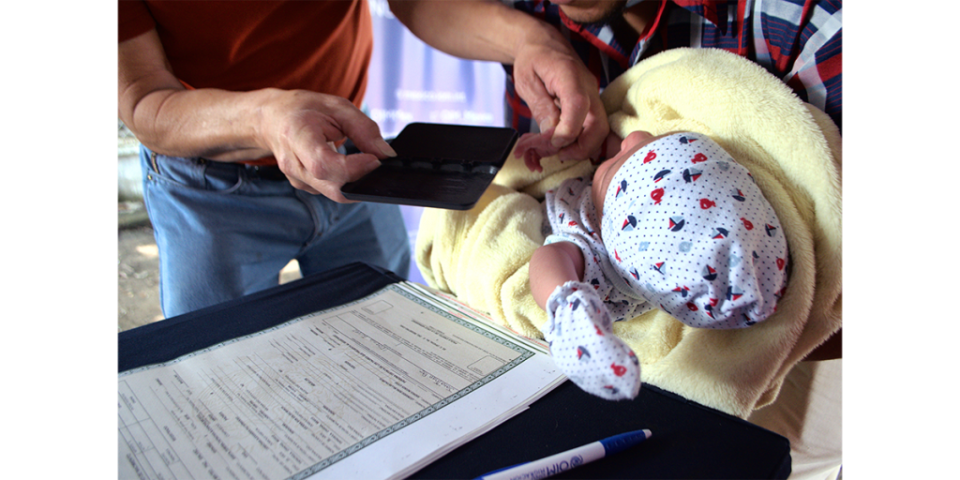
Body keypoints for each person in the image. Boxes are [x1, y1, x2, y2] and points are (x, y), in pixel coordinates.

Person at [117, 0, 411, 318]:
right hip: (208, 189)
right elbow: (143, 98)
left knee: (385, 329)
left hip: (353, 149)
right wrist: (264, 120)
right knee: (222, 358)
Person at [526, 129, 788, 400]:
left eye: (618, 160)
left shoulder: (598, 254)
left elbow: (547, 258)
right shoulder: (658, 225)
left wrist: (569, 301)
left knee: (554, 258)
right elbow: (616, 141)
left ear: (609, 221)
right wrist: (574, 141)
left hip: (563, 230)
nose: (634, 136)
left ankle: (569, 312)